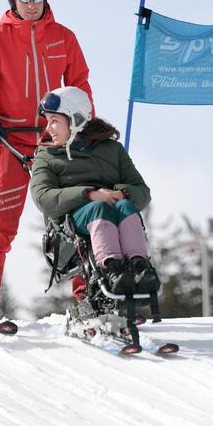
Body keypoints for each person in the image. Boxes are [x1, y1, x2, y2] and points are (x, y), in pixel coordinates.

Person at [0, 0, 94, 328]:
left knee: (76, 216)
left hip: (54, 140)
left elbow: (80, 85)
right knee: (3, 223)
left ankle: (90, 295)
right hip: (8, 141)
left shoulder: (64, 38)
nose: (32, 5)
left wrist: (84, 127)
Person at [30, 87, 160, 296]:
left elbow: (142, 191)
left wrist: (122, 193)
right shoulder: (46, 156)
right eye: (48, 121)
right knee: (98, 208)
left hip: (114, 206)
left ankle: (139, 267)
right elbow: (43, 198)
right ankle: (111, 269)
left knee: (126, 206)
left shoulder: (112, 149)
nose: (49, 128)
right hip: (72, 219)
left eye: (54, 121)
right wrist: (90, 194)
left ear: (75, 120)